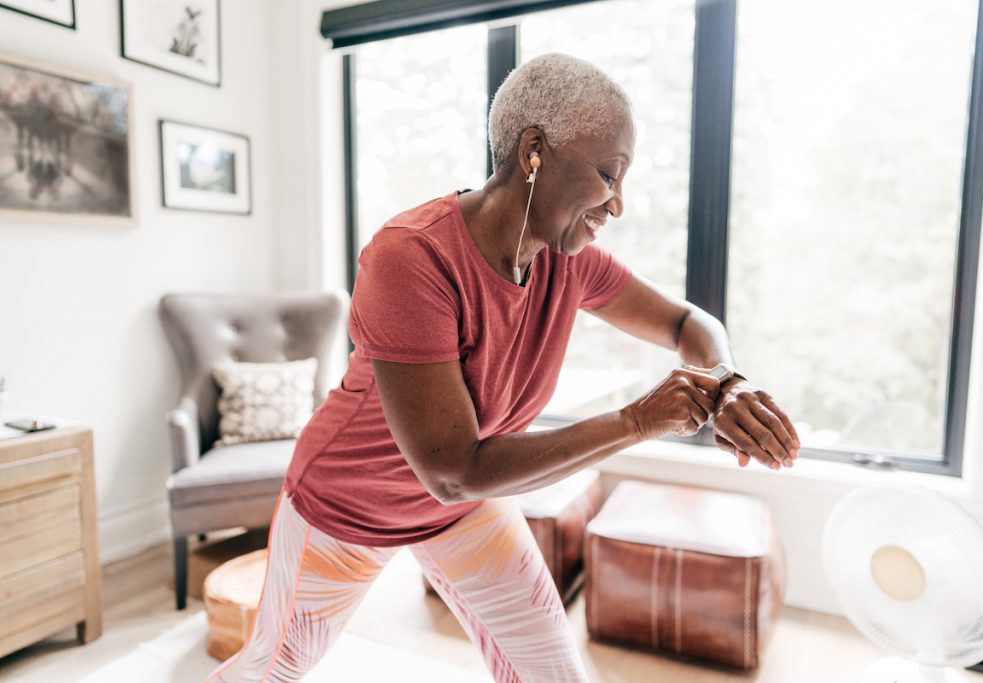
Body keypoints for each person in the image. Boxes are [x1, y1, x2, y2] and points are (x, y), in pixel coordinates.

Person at [206, 52, 800, 683]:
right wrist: (636, 420)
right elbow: (453, 469)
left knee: (554, 674)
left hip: (463, 509)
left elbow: (688, 324)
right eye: (608, 174)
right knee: (270, 672)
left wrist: (727, 382)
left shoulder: (567, 260)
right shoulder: (410, 258)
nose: (617, 204)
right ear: (534, 151)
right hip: (351, 503)